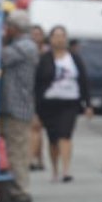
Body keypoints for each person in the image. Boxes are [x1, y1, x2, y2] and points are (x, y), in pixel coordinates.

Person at [34, 26, 92, 183]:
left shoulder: (74, 58)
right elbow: (37, 83)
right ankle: (55, 169)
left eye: (62, 36)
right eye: (56, 36)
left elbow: (84, 81)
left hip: (70, 102)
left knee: (65, 135)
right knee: (53, 138)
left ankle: (66, 170)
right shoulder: (44, 59)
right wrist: (35, 108)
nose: (59, 39)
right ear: (50, 39)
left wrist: (88, 104)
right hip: (49, 103)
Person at [1, 10, 40, 202]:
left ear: (14, 28)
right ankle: (18, 188)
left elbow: (0, 57)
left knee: (16, 151)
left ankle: (21, 192)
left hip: (17, 107)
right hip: (19, 107)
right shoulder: (26, 45)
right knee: (17, 150)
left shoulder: (24, 47)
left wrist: (0, 39)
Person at [28, 24, 48, 171]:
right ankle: (38, 158)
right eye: (33, 34)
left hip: (43, 93)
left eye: (38, 34)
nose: (36, 37)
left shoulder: (46, 53)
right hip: (29, 92)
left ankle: (34, 158)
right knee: (36, 127)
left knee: (37, 127)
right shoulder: (28, 52)